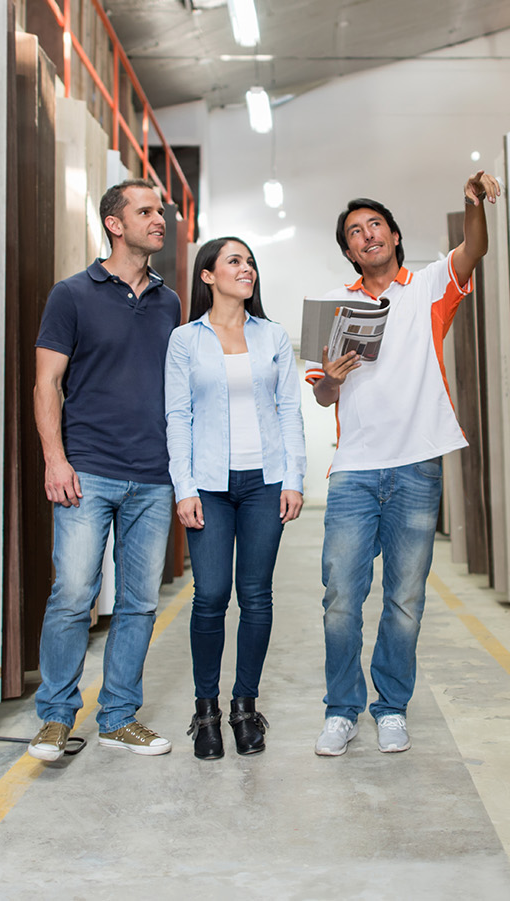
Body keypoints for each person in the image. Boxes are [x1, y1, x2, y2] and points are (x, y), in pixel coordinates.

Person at [306, 171, 502, 756]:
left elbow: (475, 250)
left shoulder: (430, 288)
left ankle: (390, 706)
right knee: (340, 594)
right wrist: (330, 383)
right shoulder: (338, 312)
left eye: (374, 225)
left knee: (404, 599)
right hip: (355, 471)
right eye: (354, 233)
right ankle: (341, 710)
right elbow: (322, 396)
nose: (367, 236)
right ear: (348, 251)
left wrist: (471, 202)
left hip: (418, 466)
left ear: (393, 234)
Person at [28, 179, 182, 761]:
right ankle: (55, 718)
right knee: (73, 594)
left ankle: (119, 716)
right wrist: (55, 459)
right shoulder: (71, 295)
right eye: (146, 211)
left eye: (160, 211)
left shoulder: (169, 302)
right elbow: (47, 383)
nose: (159, 219)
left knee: (139, 602)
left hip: (153, 476)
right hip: (86, 470)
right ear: (114, 224)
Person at [165, 236, 306, 759]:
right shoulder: (186, 340)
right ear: (208, 275)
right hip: (208, 485)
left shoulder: (272, 335)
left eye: (250, 262)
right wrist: (184, 487)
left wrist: (293, 477)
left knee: (257, 596)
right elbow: (177, 416)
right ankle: (207, 712)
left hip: (265, 482)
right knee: (210, 595)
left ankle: (245, 708)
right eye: (234, 261)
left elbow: (289, 410)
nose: (246, 269)